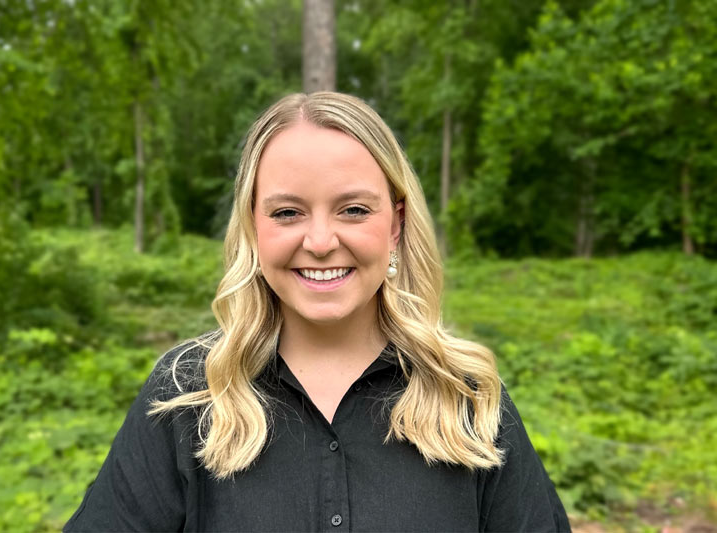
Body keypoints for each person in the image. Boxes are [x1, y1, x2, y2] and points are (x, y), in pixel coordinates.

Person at [64, 92, 570, 532]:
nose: (321, 242)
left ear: (395, 225)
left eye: (354, 210)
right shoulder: (187, 394)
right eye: (287, 212)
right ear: (253, 227)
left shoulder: (467, 398)